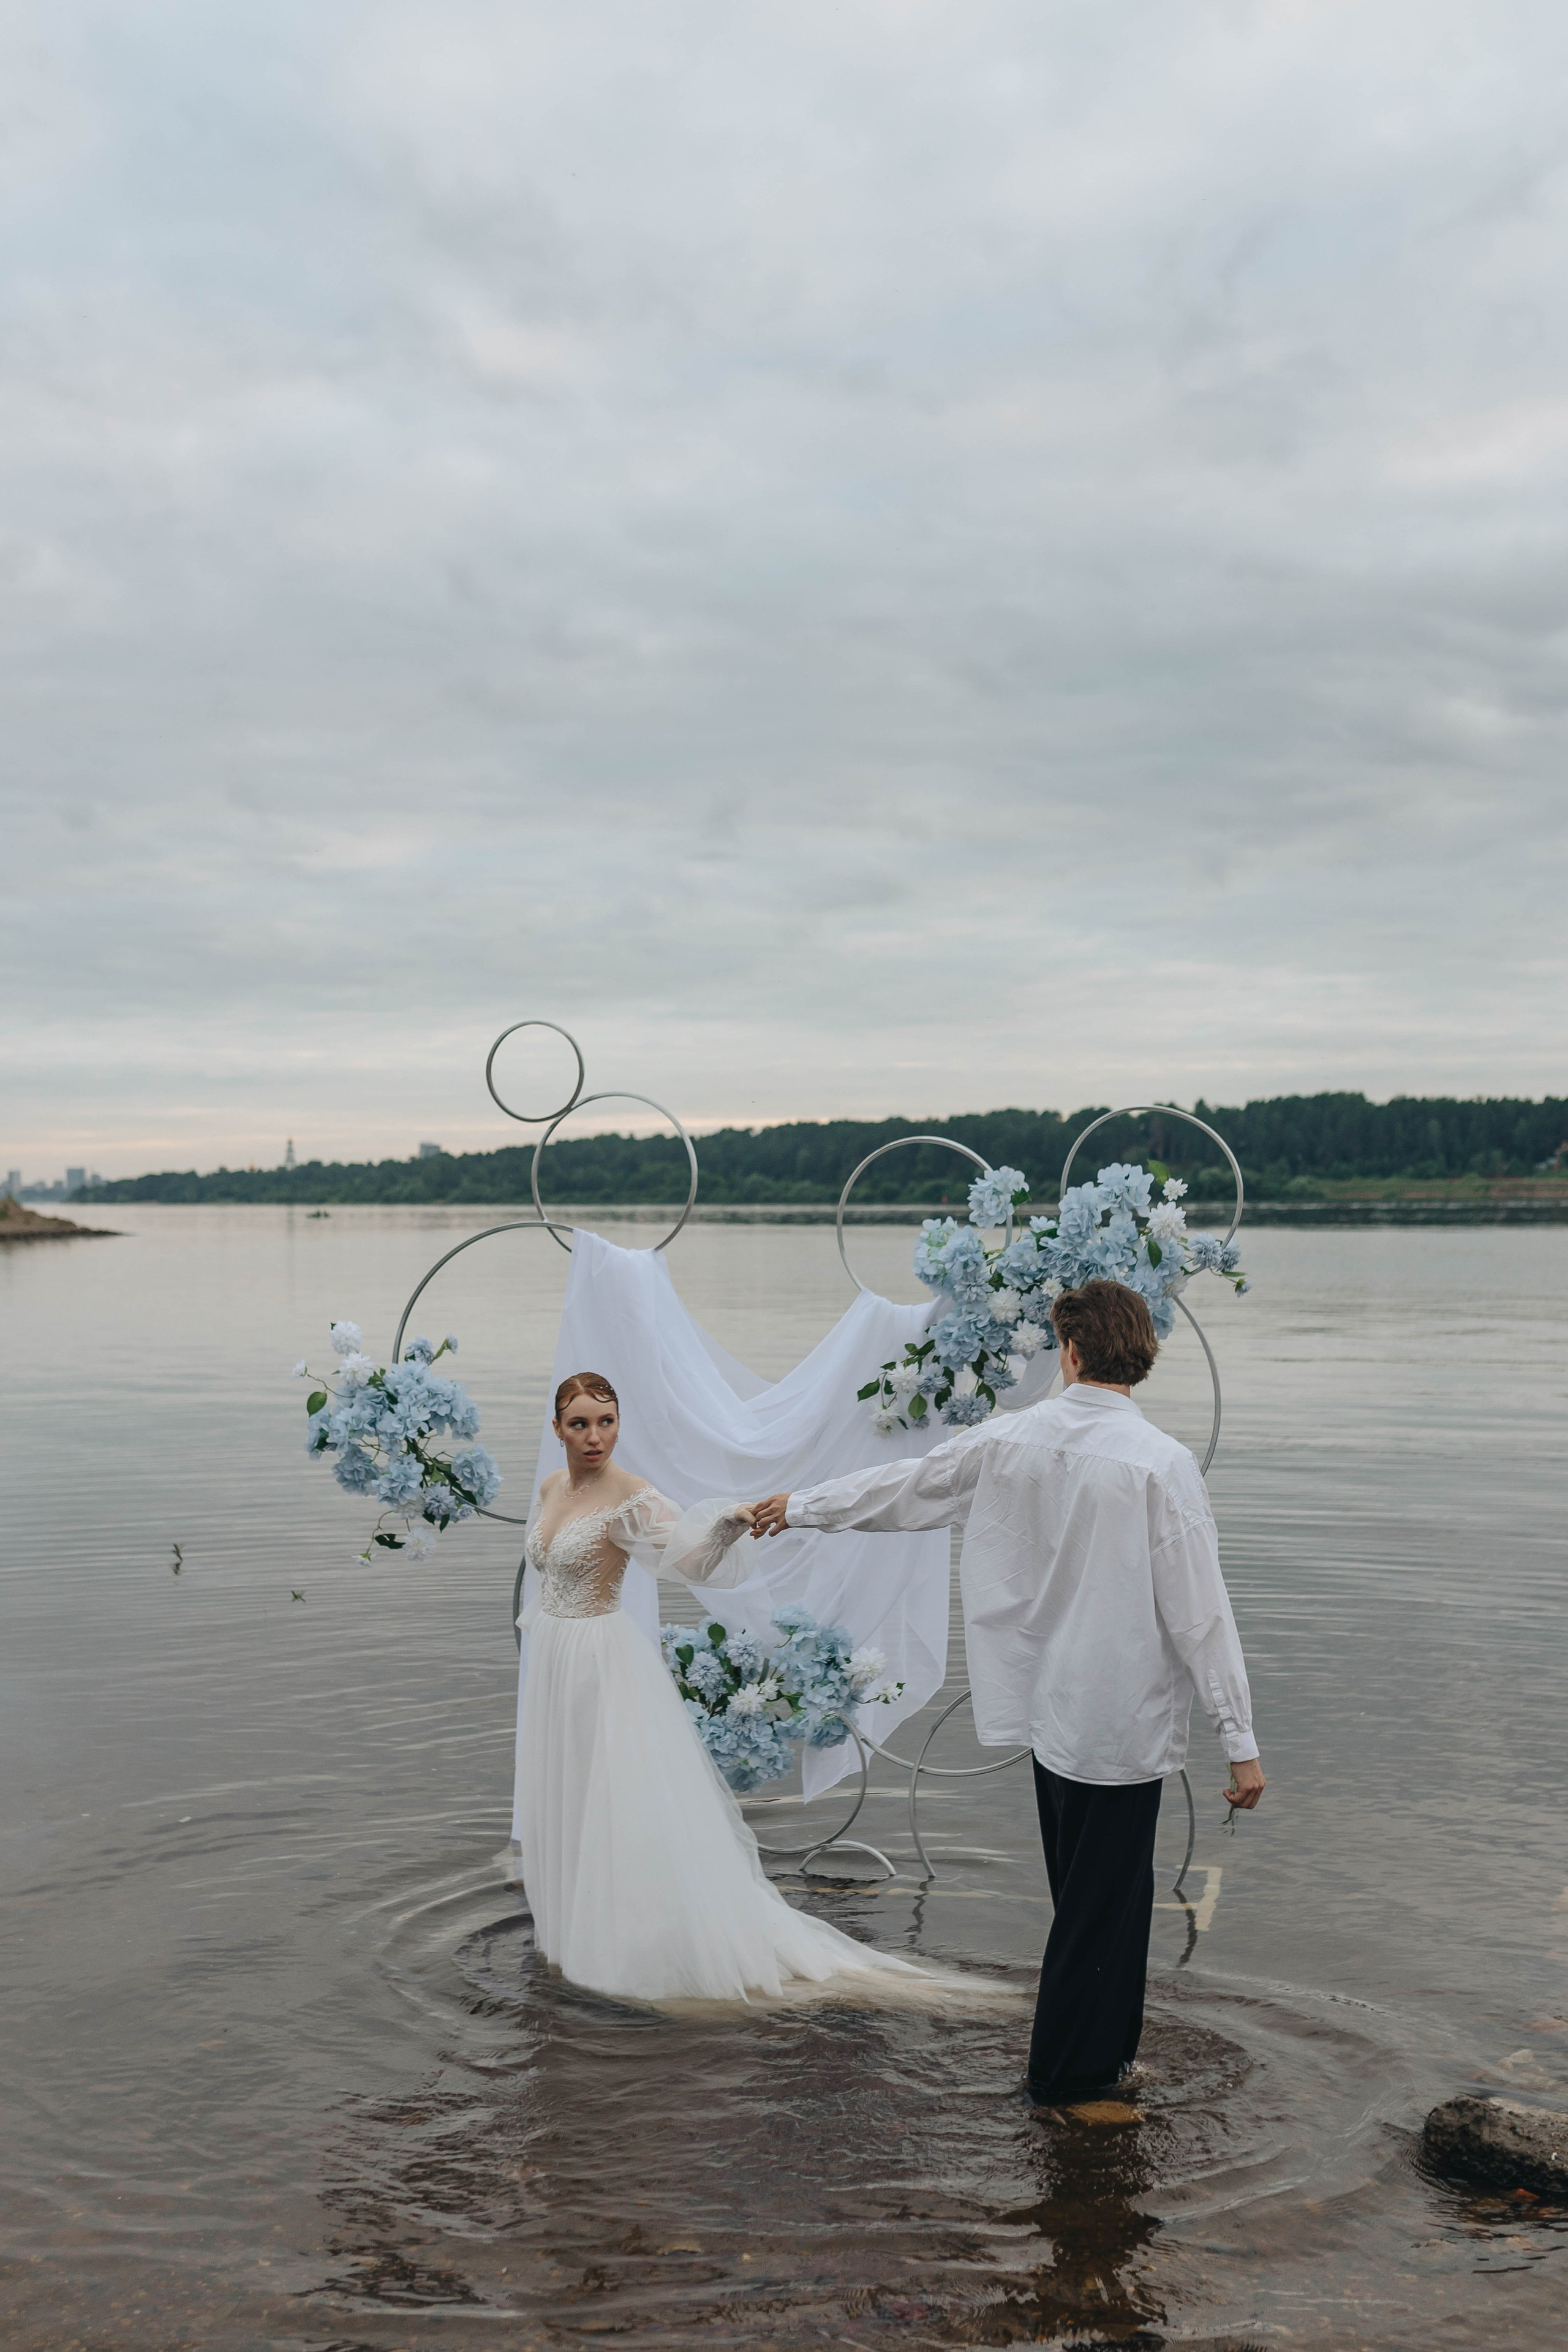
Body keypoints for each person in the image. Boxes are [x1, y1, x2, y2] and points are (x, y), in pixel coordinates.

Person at [750, 1279, 1265, 2105]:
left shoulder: (1008, 1440)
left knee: (1089, 1907)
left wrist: (799, 1506)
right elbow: (1203, 1615)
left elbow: (899, 1488)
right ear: (1139, 1353)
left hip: (1049, 1716)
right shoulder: (1160, 1465)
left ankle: (1107, 2061)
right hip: (1121, 1725)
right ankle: (1064, 2083)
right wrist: (1238, 1741)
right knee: (1104, 1915)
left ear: (1069, 1350)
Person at [513, 1370, 1005, 2010]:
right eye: (579, 1423)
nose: (594, 1436)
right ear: (557, 1429)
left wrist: (726, 1524)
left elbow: (688, 1560)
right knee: (569, 1796)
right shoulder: (552, 1486)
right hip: (554, 1659)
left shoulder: (630, 1497)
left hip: (601, 1662)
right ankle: (574, 1932)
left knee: (617, 1802)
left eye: (606, 1422)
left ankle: (632, 1943)